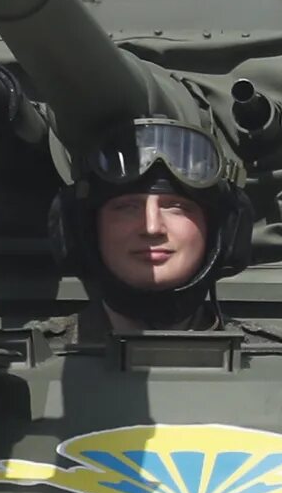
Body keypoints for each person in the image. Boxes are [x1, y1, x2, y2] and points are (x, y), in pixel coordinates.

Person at [55, 117, 253, 333]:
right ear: (88, 228)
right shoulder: (28, 359)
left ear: (218, 230)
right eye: (127, 208)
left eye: (176, 207)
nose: (152, 228)